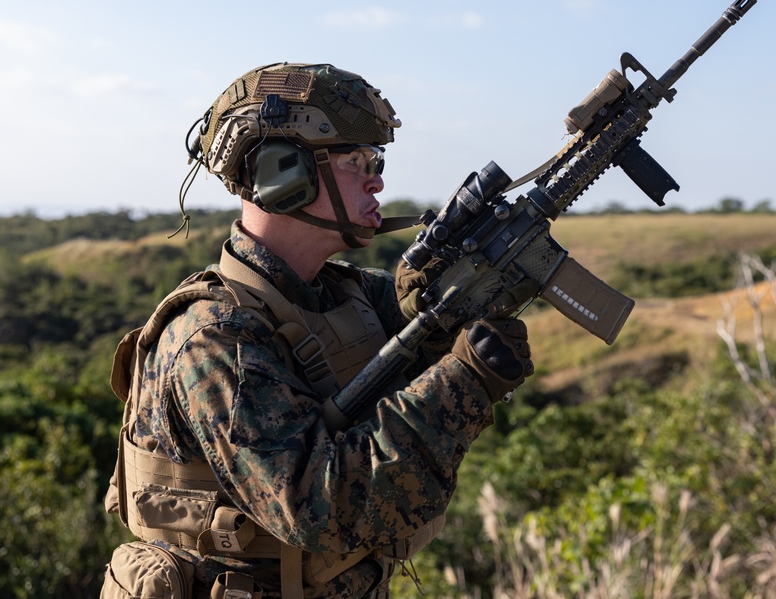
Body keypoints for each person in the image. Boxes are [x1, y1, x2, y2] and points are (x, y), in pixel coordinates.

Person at [101, 62, 533, 598]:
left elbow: (413, 356)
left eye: (376, 159)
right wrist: (464, 383)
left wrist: (474, 286)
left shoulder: (347, 295)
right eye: (358, 161)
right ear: (283, 175)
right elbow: (320, 506)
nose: (377, 178)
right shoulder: (214, 338)